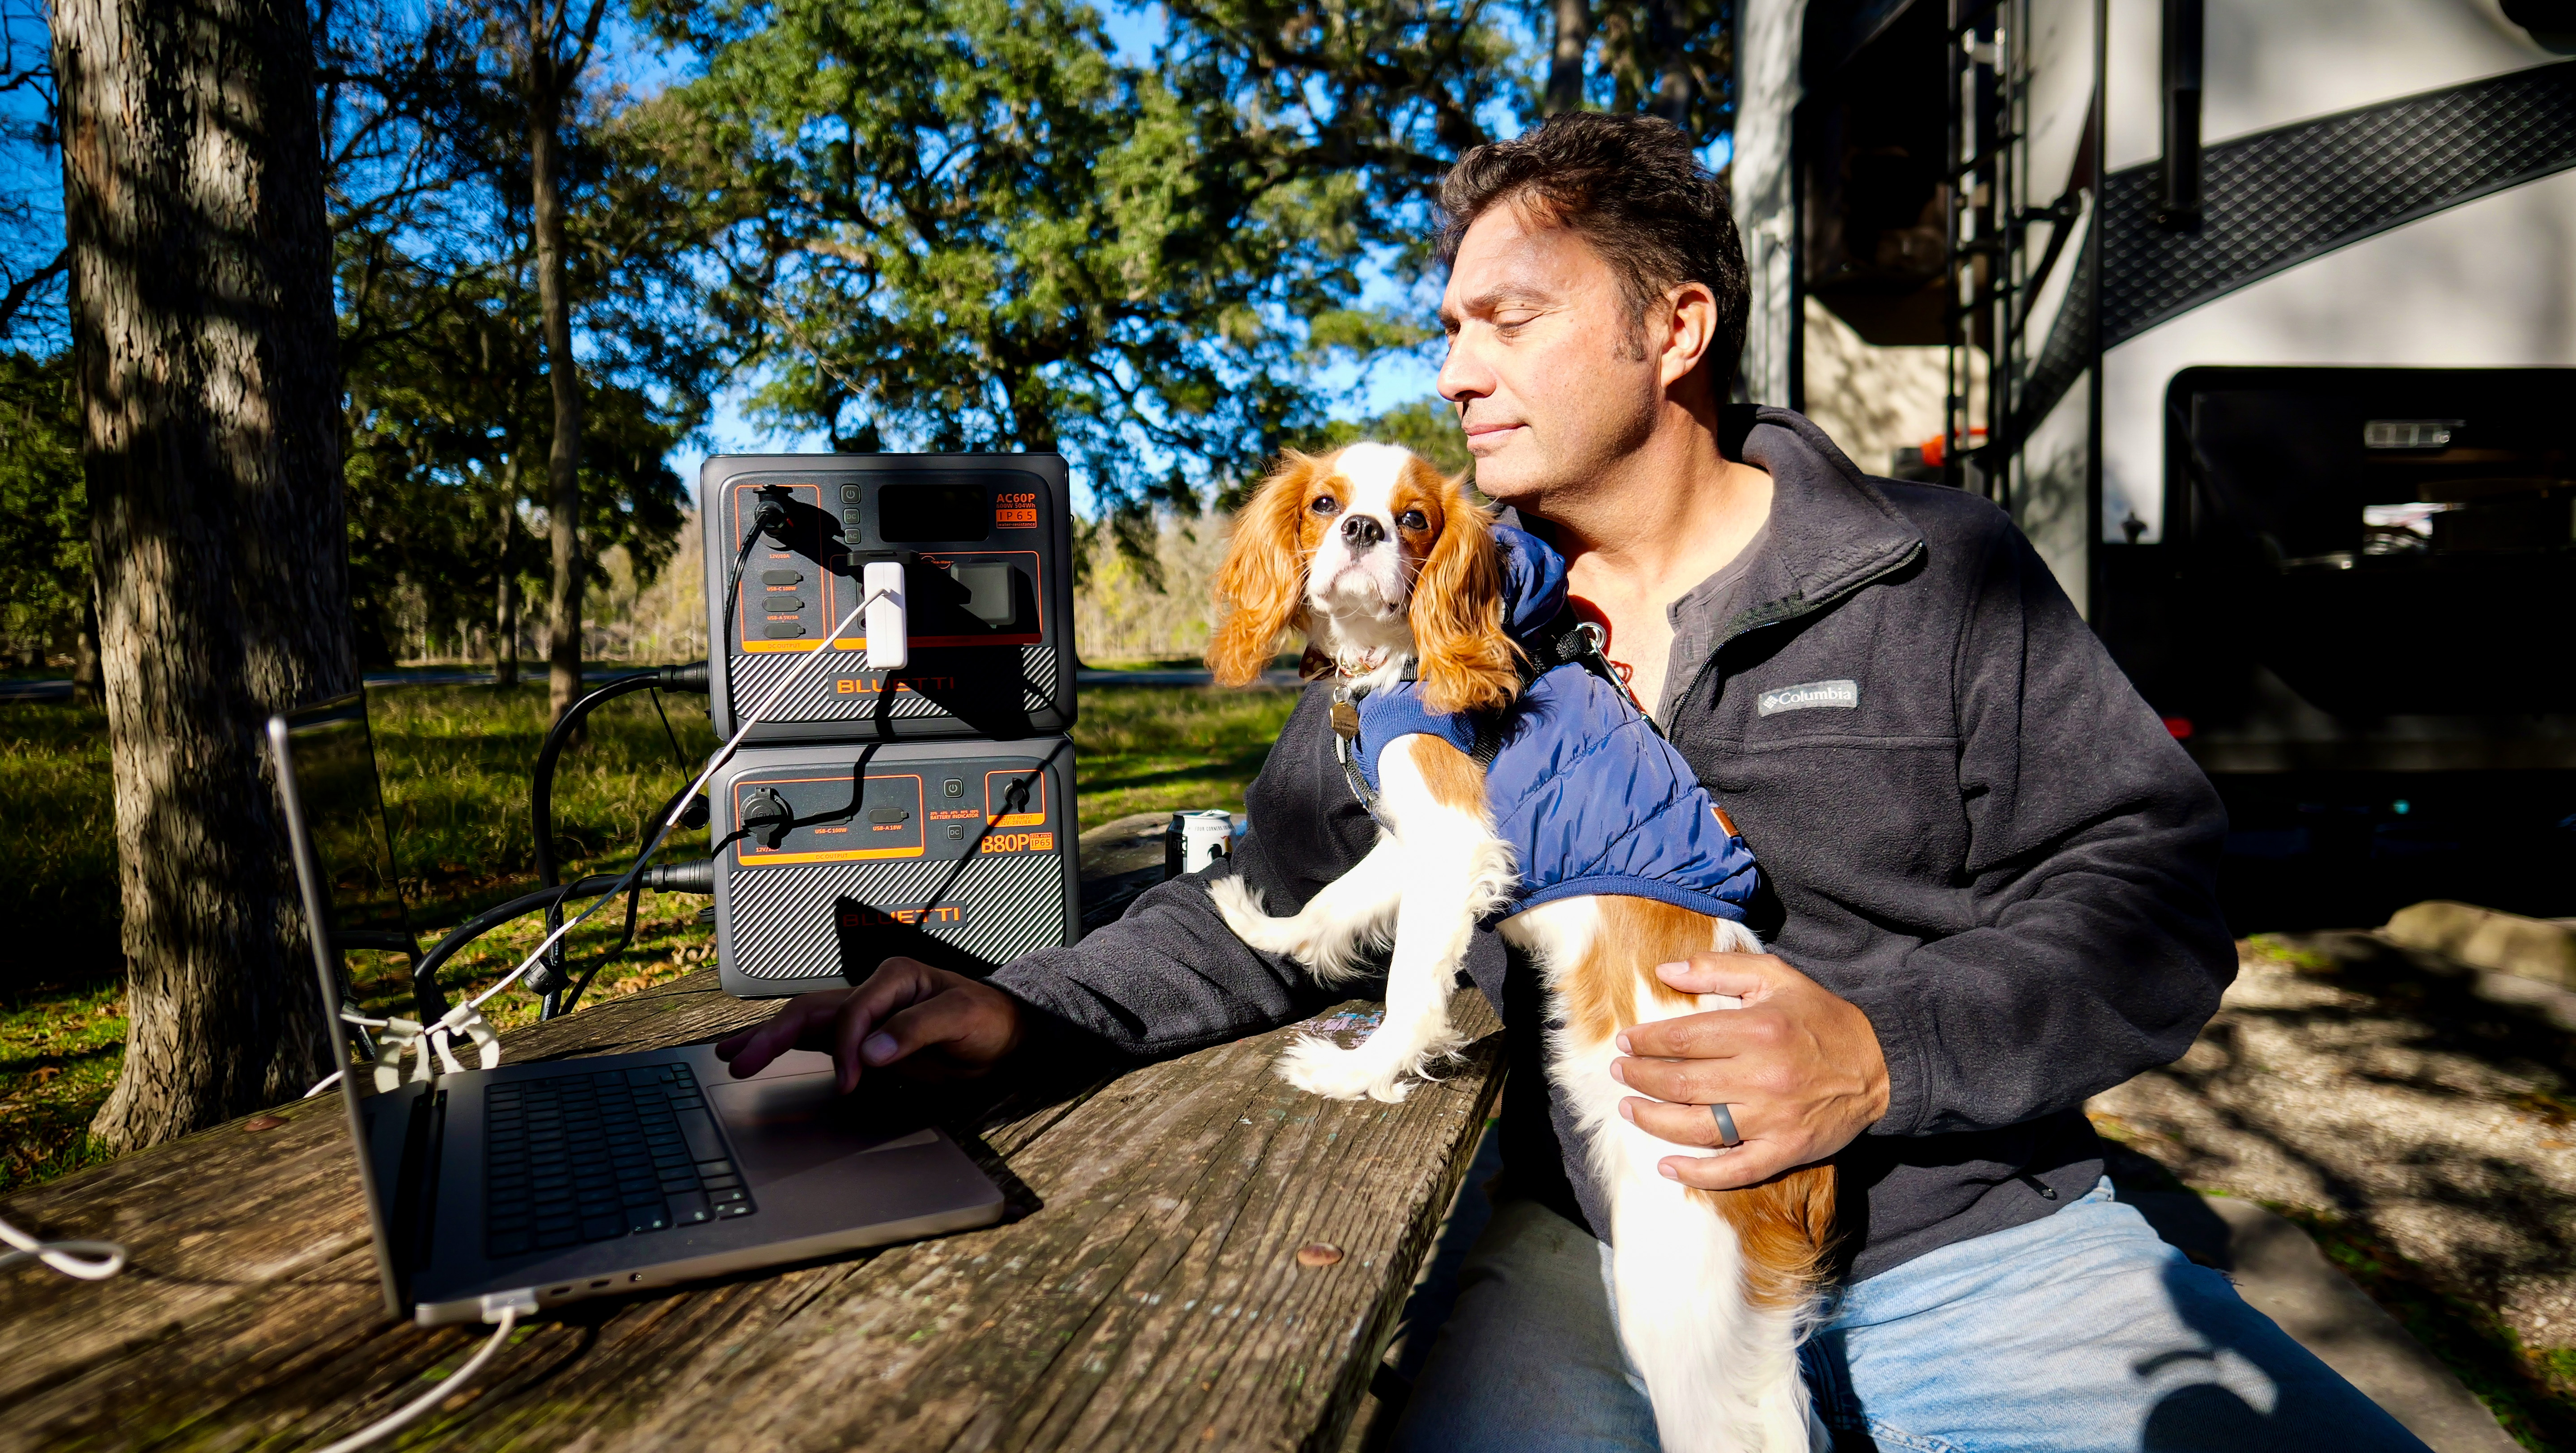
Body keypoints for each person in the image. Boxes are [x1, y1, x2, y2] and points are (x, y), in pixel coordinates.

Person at [717, 114, 2432, 1453]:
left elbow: (2149, 878)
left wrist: (1885, 1051)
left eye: (1509, 320)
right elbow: (1265, 907)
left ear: (1673, 328)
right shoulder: (1422, 617)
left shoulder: (1935, 571)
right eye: (1449, 324)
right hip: (1569, 1245)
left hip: (1973, 1246)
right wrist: (1026, 1016)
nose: (1457, 368)